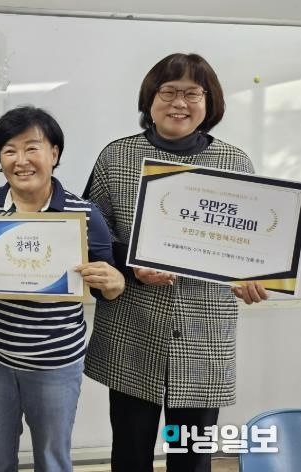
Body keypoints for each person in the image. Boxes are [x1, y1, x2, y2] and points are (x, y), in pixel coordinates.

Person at [83, 53, 269, 472]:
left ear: (209, 102)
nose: (179, 103)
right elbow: (91, 238)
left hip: (204, 333)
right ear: (149, 99)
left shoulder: (234, 163)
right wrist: (131, 268)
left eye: (192, 93)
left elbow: (249, 243)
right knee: (130, 454)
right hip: (133, 328)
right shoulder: (116, 157)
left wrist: (254, 278)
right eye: (168, 92)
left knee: (191, 456)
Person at [0, 106, 125, 471]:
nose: (21, 161)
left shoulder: (83, 214)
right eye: (9, 151)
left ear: (54, 153)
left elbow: (105, 287)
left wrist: (114, 282)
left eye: (32, 148)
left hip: (55, 361)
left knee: (52, 459)